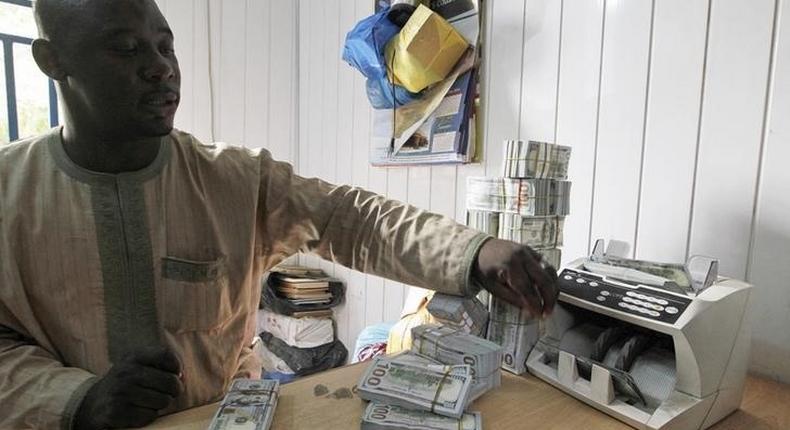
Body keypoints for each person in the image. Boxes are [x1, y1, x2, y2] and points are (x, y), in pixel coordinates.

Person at [0, 0, 559, 428]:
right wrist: (75, 400)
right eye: (125, 49)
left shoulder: (235, 178)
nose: (161, 69)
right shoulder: (8, 193)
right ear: (53, 60)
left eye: (165, 47)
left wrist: (474, 252)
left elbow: (353, 219)